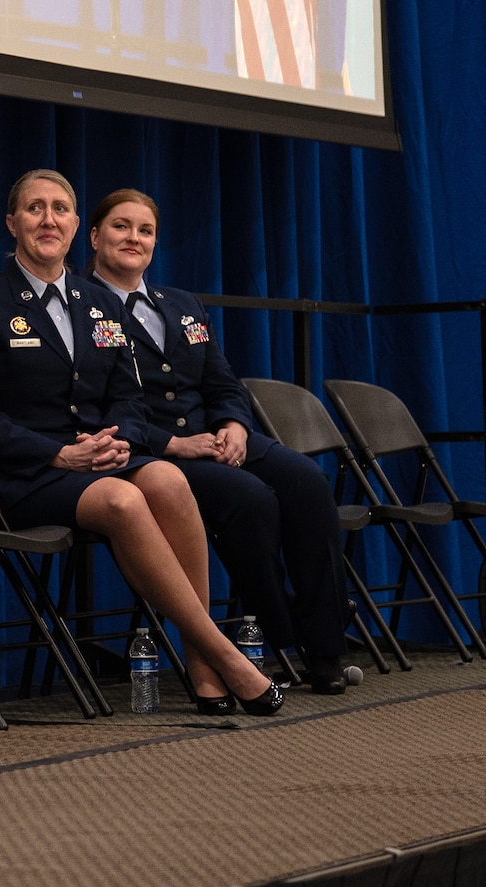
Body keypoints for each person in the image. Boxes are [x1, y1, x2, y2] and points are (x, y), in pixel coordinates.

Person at [0, 170, 282, 715]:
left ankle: (199, 663)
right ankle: (221, 653)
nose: (48, 220)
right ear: (11, 224)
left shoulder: (98, 303)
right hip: (21, 474)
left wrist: (116, 441)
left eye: (60, 209)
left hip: (98, 459)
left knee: (167, 478)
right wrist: (58, 453)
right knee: (124, 499)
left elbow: (128, 394)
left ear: (77, 226)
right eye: (34, 209)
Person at [85, 188, 351, 695]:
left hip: (221, 439)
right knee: (250, 499)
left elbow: (224, 383)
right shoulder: (80, 308)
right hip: (150, 454)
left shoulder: (183, 304)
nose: (133, 238)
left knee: (307, 482)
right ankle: (280, 637)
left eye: (145, 230)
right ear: (95, 236)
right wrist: (172, 444)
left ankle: (326, 648)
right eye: (120, 227)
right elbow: (90, 402)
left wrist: (234, 425)